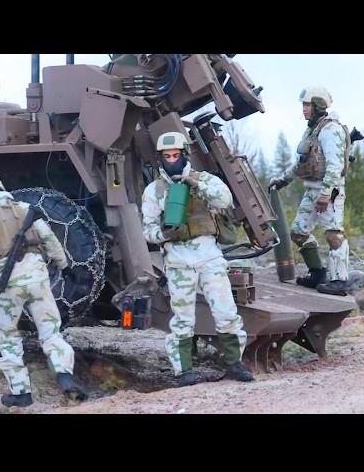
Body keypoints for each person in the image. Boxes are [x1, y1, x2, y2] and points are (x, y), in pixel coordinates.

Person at [0, 175, 87, 407]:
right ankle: (64, 374)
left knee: (9, 337)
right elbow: (49, 239)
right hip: (39, 277)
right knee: (51, 331)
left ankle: (21, 392)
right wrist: (64, 266)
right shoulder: (25, 209)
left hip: (8, 284)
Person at [141, 131, 254, 386]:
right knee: (182, 318)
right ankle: (184, 371)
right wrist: (164, 233)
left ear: (184, 155)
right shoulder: (155, 190)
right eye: (167, 156)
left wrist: (196, 185)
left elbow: (224, 199)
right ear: (160, 158)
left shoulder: (204, 180)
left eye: (176, 155)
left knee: (226, 311)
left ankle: (235, 363)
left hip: (209, 255)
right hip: (178, 258)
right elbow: (147, 229)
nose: (172, 160)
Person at [269, 87, 351, 296]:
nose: (304, 109)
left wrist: (325, 194)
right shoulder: (313, 129)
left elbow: (334, 165)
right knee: (298, 232)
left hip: (329, 191)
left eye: (307, 105)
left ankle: (340, 281)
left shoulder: (330, 130)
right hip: (312, 188)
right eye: (304, 105)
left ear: (317, 106)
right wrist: (283, 180)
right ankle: (318, 273)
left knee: (333, 235)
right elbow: (302, 162)